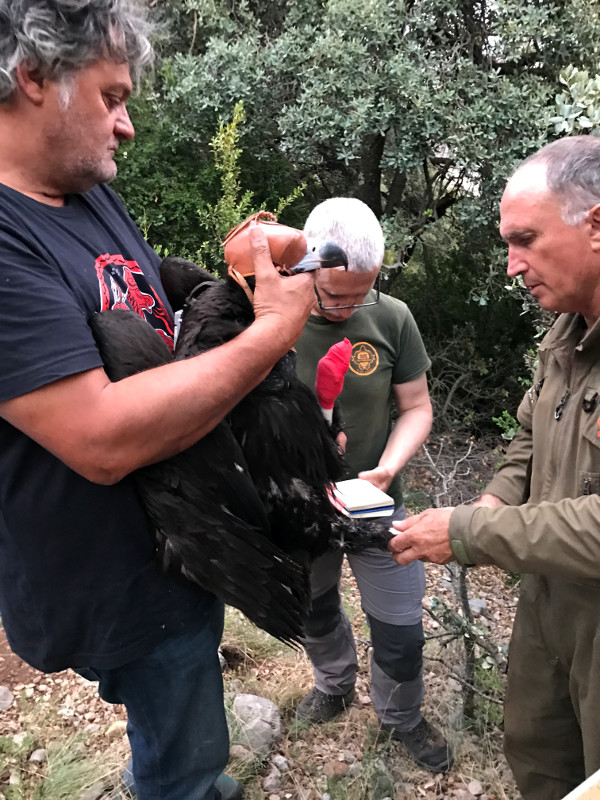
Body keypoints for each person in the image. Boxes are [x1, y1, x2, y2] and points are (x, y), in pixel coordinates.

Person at [0, 2, 317, 799]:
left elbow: (141, 295)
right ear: (31, 76)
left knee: (180, 730)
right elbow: (100, 437)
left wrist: (235, 271)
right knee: (184, 763)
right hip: (116, 586)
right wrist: (272, 334)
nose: (127, 124)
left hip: (180, 550)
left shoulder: (81, 190)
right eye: (111, 98)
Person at [388, 135, 600, 800]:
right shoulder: (565, 332)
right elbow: (529, 442)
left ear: (596, 226)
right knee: (540, 758)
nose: (512, 266)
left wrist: (469, 535)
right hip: (547, 605)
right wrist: (492, 504)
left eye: (527, 240)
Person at [293, 197, 453, 773]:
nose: (349, 306)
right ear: (305, 265)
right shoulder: (267, 321)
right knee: (313, 608)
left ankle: (400, 716)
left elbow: (415, 407)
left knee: (402, 629)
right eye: (336, 294)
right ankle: (333, 685)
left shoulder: (391, 318)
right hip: (300, 510)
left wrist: (387, 466)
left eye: (363, 292)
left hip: (374, 504)